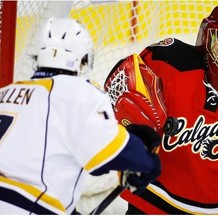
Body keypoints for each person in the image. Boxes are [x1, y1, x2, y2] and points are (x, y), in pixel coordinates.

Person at [104, 4, 218, 215]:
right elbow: (125, 99)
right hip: (155, 201)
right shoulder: (166, 62)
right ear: (207, 39)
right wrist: (131, 153)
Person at [0, 17, 162, 214]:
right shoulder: (77, 93)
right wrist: (146, 160)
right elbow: (114, 154)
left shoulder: (6, 93)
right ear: (83, 59)